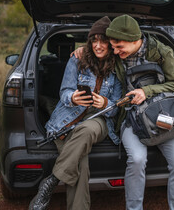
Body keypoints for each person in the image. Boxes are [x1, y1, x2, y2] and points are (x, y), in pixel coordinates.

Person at [29, 16, 122, 210]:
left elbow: (117, 106)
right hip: (68, 119)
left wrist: (105, 102)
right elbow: (64, 91)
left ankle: (51, 182)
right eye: (94, 40)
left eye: (103, 40)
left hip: (99, 119)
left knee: (87, 130)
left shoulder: (118, 67)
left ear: (111, 42)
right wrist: (73, 98)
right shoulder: (77, 60)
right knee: (80, 166)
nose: (98, 45)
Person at [106, 14, 174, 210]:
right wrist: (83, 50)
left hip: (163, 113)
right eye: (113, 47)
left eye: (120, 47)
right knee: (137, 159)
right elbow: (97, 50)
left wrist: (147, 91)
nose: (115, 52)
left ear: (135, 40)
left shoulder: (160, 51)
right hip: (131, 118)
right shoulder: (115, 54)